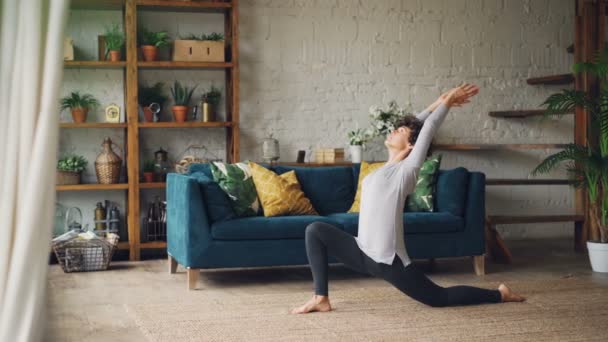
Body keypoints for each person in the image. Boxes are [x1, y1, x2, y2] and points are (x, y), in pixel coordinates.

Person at [291, 83, 525, 314]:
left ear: (412, 144)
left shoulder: (407, 171)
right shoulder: (382, 169)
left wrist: (447, 103)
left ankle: (499, 294)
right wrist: (437, 101)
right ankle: (320, 298)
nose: (394, 130)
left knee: (437, 298)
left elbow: (429, 127)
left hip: (388, 260)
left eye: (400, 131)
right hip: (362, 251)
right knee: (315, 230)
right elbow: (418, 123)